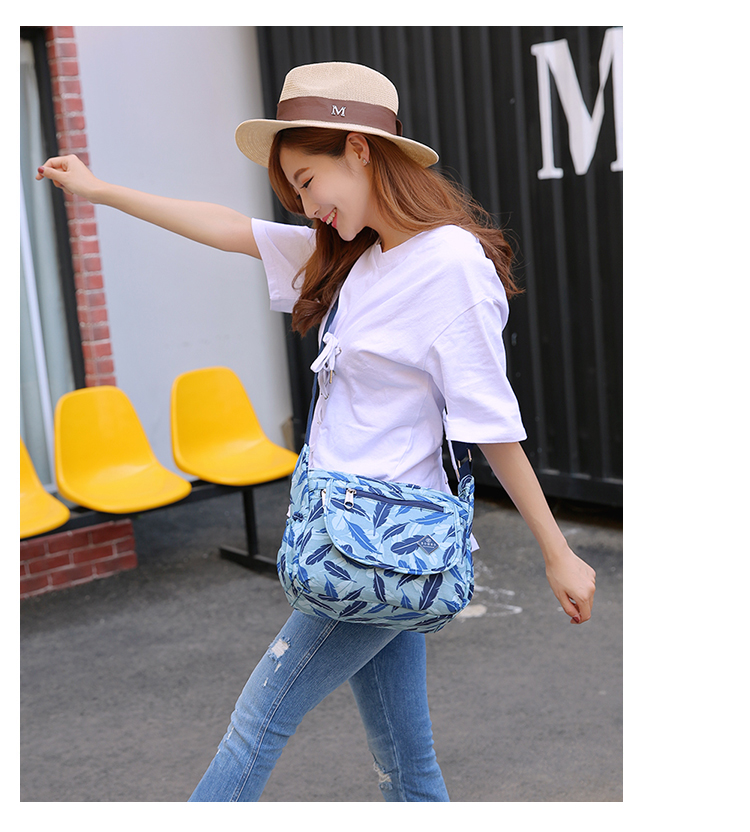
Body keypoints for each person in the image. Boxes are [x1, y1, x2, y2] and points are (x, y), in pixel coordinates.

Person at [36, 61, 596, 802]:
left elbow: (490, 420)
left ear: (359, 149)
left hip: (382, 544)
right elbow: (229, 229)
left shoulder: (449, 263)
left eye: (307, 181)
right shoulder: (356, 259)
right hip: (344, 536)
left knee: (255, 725)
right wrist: (101, 190)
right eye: (295, 193)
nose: (306, 207)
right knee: (405, 759)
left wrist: (557, 552)